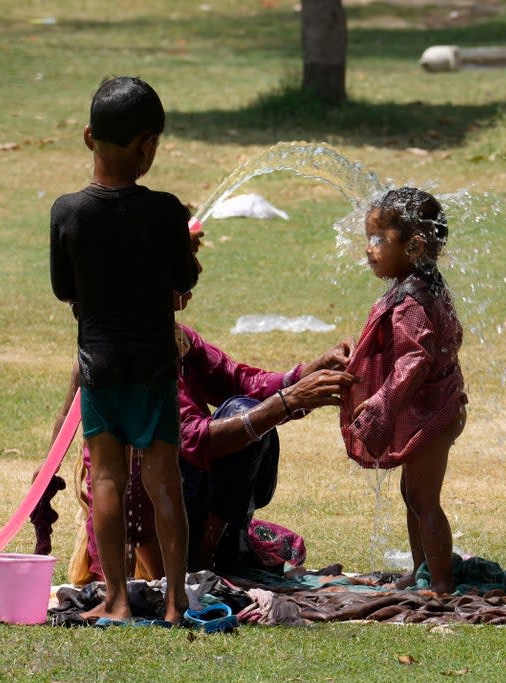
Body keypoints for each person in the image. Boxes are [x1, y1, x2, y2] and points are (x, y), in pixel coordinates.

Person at [44, 290, 357, 584]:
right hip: (144, 526)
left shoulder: (176, 337)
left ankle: (204, 556)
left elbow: (238, 380)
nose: (195, 272)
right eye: (186, 261)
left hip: (174, 496)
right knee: (244, 415)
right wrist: (288, 401)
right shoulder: (137, 357)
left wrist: (308, 373)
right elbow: (194, 438)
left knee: (244, 411)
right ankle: (198, 566)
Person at [49, 75, 199, 625]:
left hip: (100, 366)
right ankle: (176, 601)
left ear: (89, 137)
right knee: (165, 482)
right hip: (155, 365)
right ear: (148, 145)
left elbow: (65, 289)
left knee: (106, 478)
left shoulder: (68, 211)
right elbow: (183, 281)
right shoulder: (165, 212)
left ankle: (114, 599)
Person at [339, 187, 468, 594]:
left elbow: (414, 361)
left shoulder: (412, 300)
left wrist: (380, 405)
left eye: (378, 240)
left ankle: (442, 583)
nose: (368, 249)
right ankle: (422, 569)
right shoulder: (423, 284)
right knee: (412, 494)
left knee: (424, 499)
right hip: (436, 406)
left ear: (414, 246)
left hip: (434, 412)